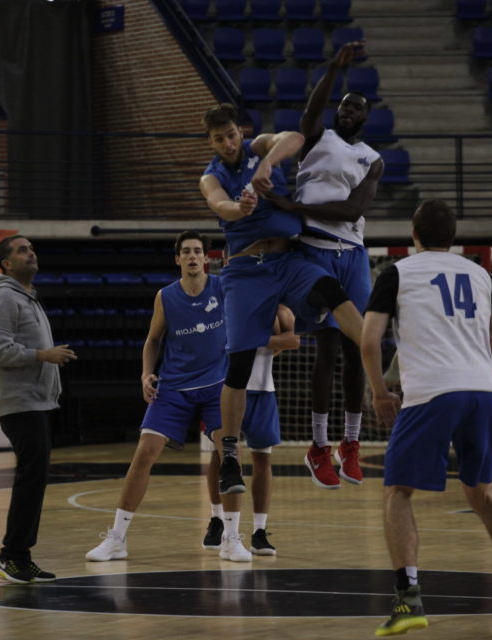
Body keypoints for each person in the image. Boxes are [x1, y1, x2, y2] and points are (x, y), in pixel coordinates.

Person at [360, 200, 492, 637]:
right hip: (484, 392)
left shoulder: (399, 273)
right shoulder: (482, 274)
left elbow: (369, 340)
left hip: (433, 390)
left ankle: (407, 599)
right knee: (483, 495)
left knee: (397, 492)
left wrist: (378, 392)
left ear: (414, 233)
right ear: (453, 236)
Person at [198, 103, 364, 499]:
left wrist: (267, 164)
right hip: (244, 271)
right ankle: (231, 455)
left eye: (231, 134)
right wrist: (240, 208)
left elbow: (295, 138)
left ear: (241, 131)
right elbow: (218, 203)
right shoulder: (211, 176)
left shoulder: (257, 148)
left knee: (332, 293)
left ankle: (378, 367)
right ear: (211, 142)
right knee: (238, 365)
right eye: (219, 139)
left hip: (287, 260)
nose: (227, 143)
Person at [265, 41, 384, 489]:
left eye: (356, 109)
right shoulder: (317, 137)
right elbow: (308, 114)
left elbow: (354, 210)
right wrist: (333, 67)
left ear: (366, 119)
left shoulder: (372, 158)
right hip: (312, 250)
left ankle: (351, 444)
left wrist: (295, 208)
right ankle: (318, 446)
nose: (348, 112)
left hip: (351, 254)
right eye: (344, 106)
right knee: (328, 351)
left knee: (357, 350)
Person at [86, 231, 228, 562]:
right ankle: (117, 538)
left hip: (216, 383)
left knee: (228, 452)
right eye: (186, 252)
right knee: (144, 452)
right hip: (174, 385)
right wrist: (145, 374)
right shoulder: (166, 296)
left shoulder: (223, 288)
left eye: (198, 251)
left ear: (206, 258)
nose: (193, 256)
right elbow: (152, 341)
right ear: (177, 259)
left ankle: (228, 531)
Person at [0, 234, 76, 584]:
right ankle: (11, 555)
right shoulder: (4, 297)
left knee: (34, 479)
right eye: (22, 250)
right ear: (6, 263)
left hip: (35, 400)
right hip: (19, 402)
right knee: (30, 478)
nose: (31, 253)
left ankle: (20, 555)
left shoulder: (25, 296)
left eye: (31, 248)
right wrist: (43, 355)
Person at [202, 305, 301, 560]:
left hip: (263, 390)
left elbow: (292, 340)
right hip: (225, 387)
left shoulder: (277, 306)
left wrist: (254, 338)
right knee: (221, 455)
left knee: (262, 458)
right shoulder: (223, 302)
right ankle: (217, 519)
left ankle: (259, 531)